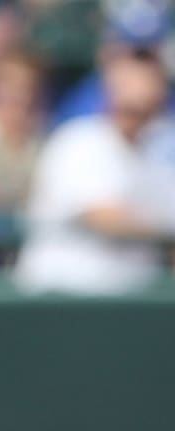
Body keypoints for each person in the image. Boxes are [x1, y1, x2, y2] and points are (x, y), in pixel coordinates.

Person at [14, 49, 175, 296]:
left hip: (130, 299)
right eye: (128, 81)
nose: (139, 91)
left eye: (148, 80)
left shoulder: (159, 150)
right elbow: (103, 217)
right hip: (61, 296)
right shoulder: (79, 139)